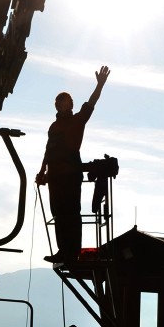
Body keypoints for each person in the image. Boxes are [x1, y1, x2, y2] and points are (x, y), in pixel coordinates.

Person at [36, 65, 110, 263]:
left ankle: (73, 251)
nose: (70, 103)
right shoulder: (54, 126)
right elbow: (48, 150)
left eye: (70, 101)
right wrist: (42, 171)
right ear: (59, 105)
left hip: (69, 175)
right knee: (59, 215)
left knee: (71, 214)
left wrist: (100, 85)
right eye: (66, 101)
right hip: (55, 177)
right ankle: (63, 251)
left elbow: (91, 103)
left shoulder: (78, 120)